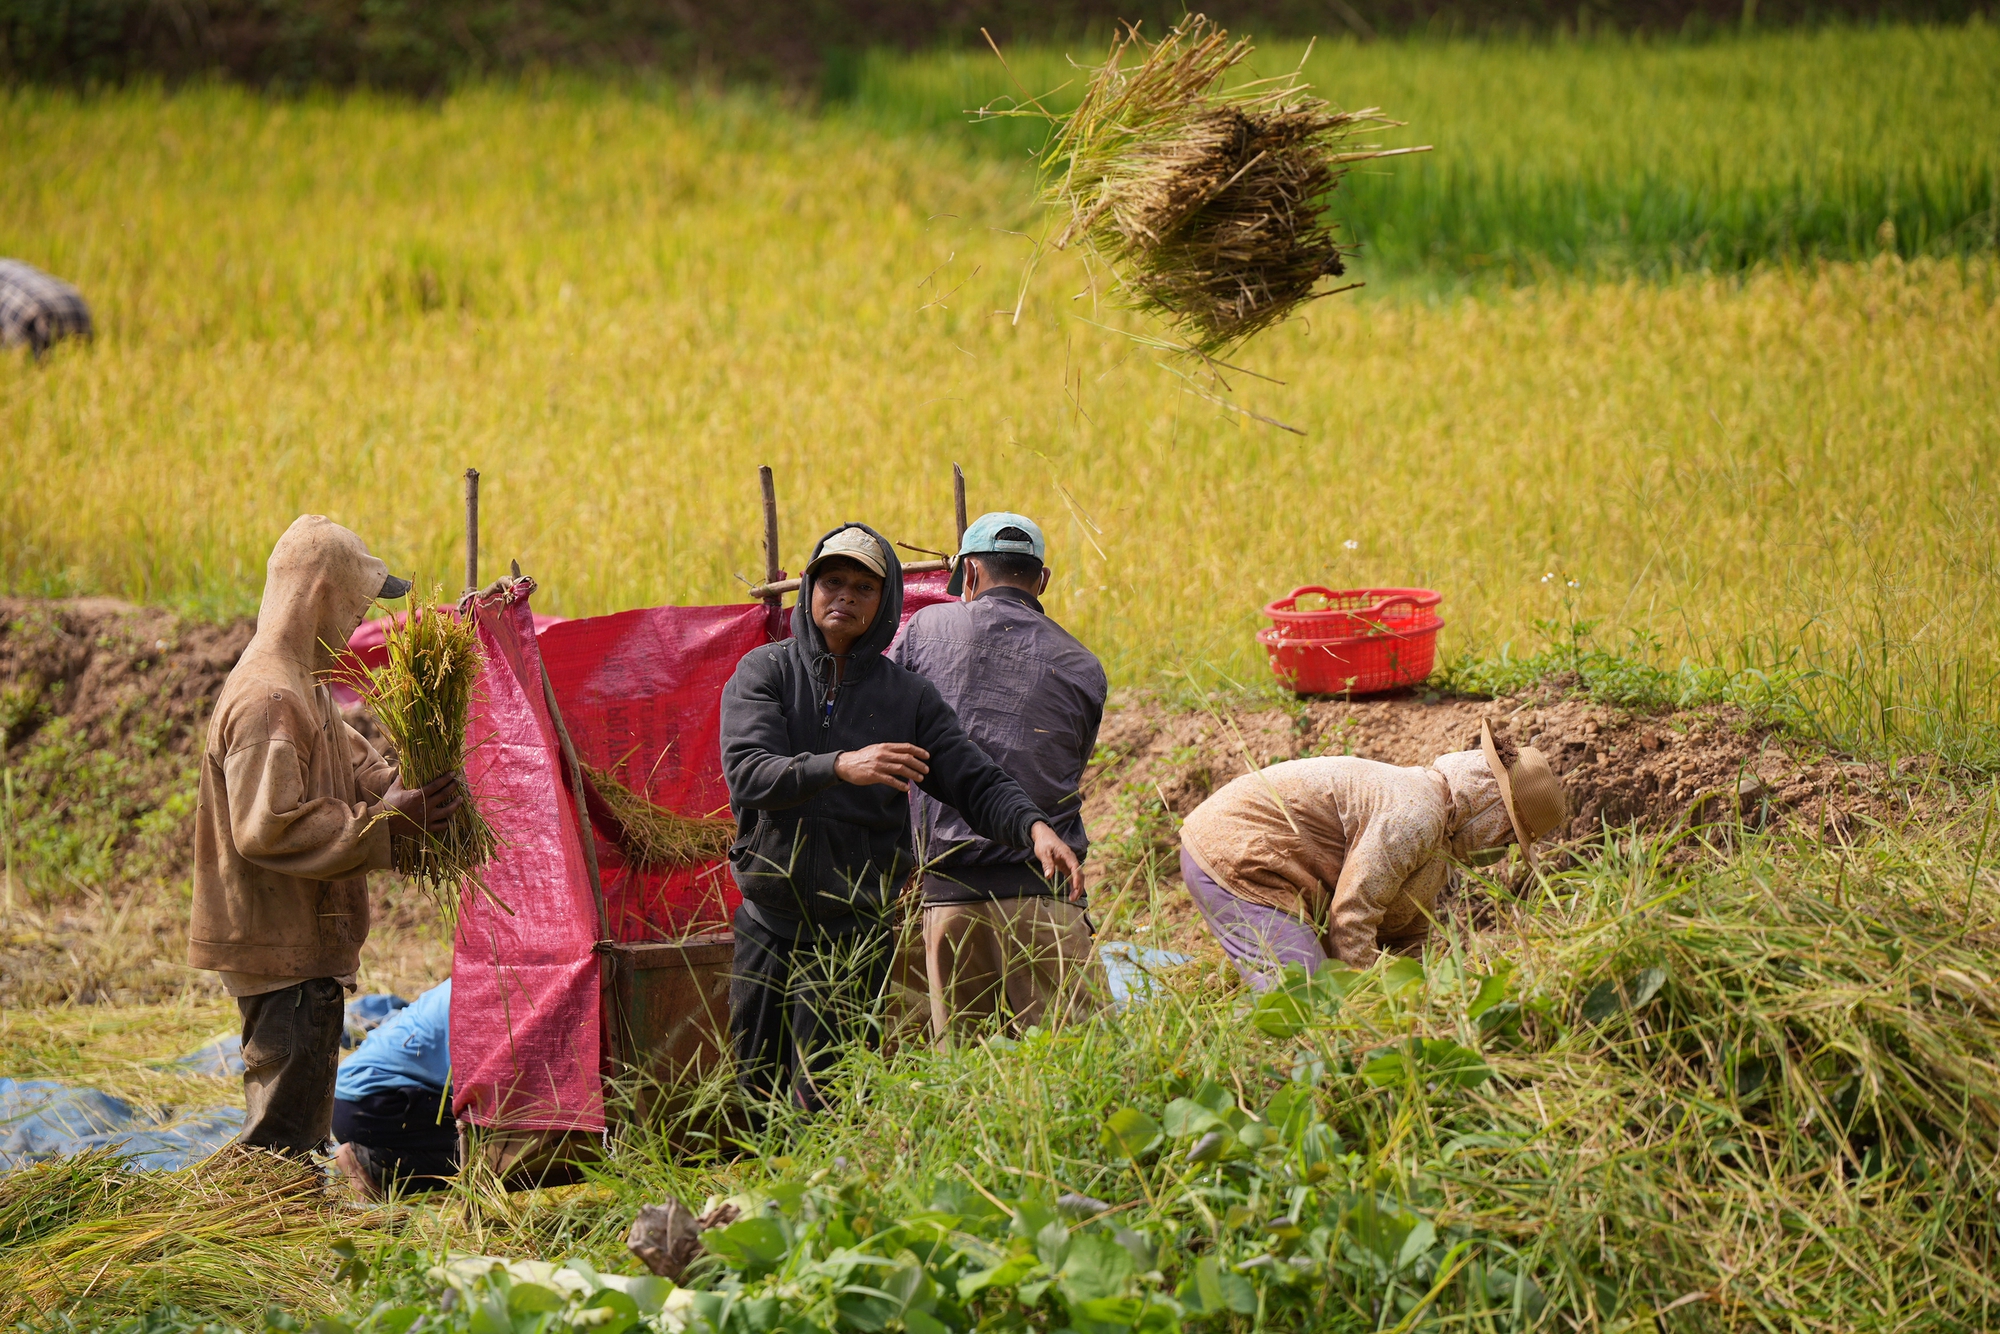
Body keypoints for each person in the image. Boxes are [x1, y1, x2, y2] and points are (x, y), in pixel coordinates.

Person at [719, 522, 1080, 1110]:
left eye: (864, 587)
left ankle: (824, 1199)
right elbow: (750, 773)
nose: (845, 597)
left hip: (853, 930)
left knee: (827, 1102)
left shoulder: (907, 698)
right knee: (755, 1092)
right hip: (770, 916)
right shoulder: (765, 673)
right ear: (809, 590)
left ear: (884, 603)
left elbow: (974, 777)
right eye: (832, 581)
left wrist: (1034, 826)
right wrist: (840, 765)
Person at [189, 515, 463, 1157]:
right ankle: (265, 1235)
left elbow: (360, 770)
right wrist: (388, 823)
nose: (361, 620)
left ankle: (285, 1223)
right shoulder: (268, 699)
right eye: (358, 603)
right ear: (320, 597)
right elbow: (267, 826)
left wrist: (418, 786)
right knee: (282, 1135)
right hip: (281, 943)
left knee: (302, 1121)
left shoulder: (303, 686)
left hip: (305, 943)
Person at [891, 512, 1109, 1038]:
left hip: (946, 897)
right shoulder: (1083, 664)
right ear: (1043, 580)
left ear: (968, 574)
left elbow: (889, 728)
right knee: (1080, 1070)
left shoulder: (923, 630)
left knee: (960, 1079)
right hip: (1045, 894)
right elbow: (1069, 764)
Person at [1177, 722, 1567, 986]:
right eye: (1508, 835)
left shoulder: (1439, 839)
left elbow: (1405, 929)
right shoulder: (1416, 814)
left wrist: (1437, 983)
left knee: (1313, 988)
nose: (1501, 850)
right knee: (1305, 996)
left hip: (1260, 861)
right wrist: (1373, 1003)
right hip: (1238, 854)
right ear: (1488, 805)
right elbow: (1352, 918)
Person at [332, 979, 456, 1198]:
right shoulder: (484, 995)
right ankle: (370, 1165)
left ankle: (377, 1166)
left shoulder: (473, 976)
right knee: (502, 1139)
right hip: (377, 1102)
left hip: (355, 1095)